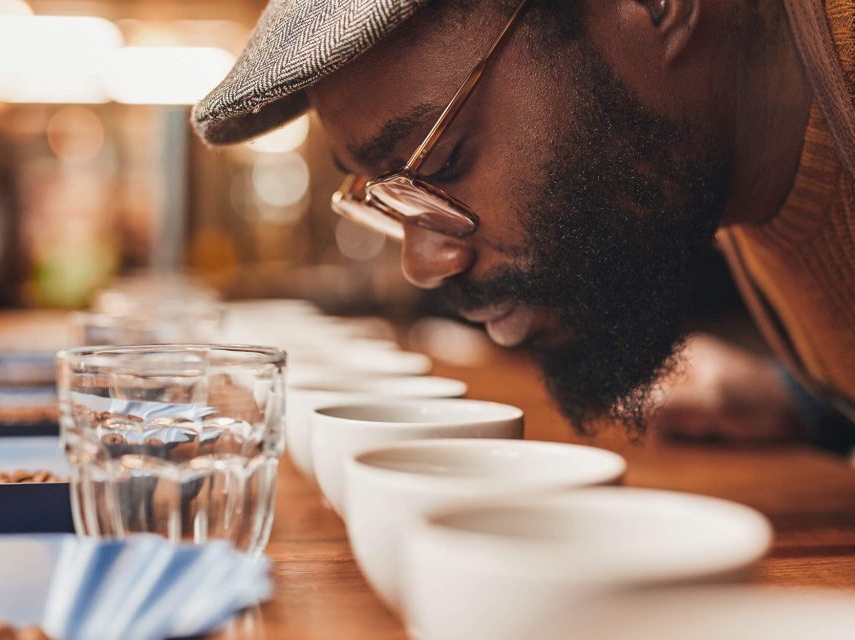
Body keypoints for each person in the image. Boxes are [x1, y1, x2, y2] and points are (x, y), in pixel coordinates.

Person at [192, 0, 855, 453]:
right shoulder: (712, 165)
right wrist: (804, 402)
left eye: (444, 161)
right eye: (385, 196)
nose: (422, 264)